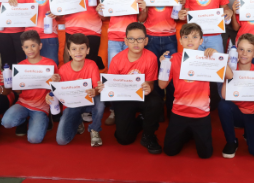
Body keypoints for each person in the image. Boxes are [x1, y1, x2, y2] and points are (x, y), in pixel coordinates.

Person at [103, 23, 163, 154]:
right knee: (124, 139)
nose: (135, 42)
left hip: (142, 95)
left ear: (146, 40)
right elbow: (111, 85)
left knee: (156, 102)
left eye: (140, 39)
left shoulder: (151, 57)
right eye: (131, 39)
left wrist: (149, 87)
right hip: (123, 98)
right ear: (125, 41)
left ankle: (149, 135)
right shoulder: (117, 60)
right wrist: (104, 87)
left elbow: (151, 84)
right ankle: (141, 120)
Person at [159, 23, 214, 159]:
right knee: (169, 151)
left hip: (201, 114)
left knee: (205, 154)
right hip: (179, 112)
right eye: (186, 37)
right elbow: (161, 85)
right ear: (180, 40)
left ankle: (192, 132)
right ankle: (188, 132)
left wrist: (217, 56)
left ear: (201, 41)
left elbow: (229, 76)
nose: (190, 40)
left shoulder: (207, 58)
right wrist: (164, 66)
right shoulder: (173, 59)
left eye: (195, 37)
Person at [218, 34, 254, 158]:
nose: (244, 54)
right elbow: (225, 96)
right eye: (241, 49)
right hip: (237, 113)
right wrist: (227, 71)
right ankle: (231, 142)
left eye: (249, 50)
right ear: (236, 51)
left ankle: (248, 132)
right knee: (223, 105)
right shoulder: (231, 69)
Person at [0, 31, 56, 144]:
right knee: (6, 122)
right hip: (23, 103)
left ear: (40, 46)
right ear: (22, 49)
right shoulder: (20, 66)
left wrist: (56, 81)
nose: (30, 49)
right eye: (26, 47)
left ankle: (42, 119)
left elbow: (56, 88)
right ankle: (23, 120)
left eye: (33, 46)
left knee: (34, 139)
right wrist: (11, 82)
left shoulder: (50, 64)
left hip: (41, 107)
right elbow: (18, 91)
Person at [52, 33, 105, 147]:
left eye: (82, 48)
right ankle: (77, 121)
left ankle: (94, 129)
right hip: (72, 105)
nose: (78, 52)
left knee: (100, 102)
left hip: (89, 101)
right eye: (74, 49)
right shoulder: (63, 70)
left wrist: (94, 91)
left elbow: (96, 88)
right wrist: (52, 90)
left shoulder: (92, 65)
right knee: (62, 140)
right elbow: (60, 93)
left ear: (88, 50)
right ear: (69, 52)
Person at [98, 0, 146, 68]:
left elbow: (142, 19)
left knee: (131, 68)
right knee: (114, 68)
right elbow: (104, 18)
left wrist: (144, 8)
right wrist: (100, 10)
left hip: (132, 39)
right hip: (114, 38)